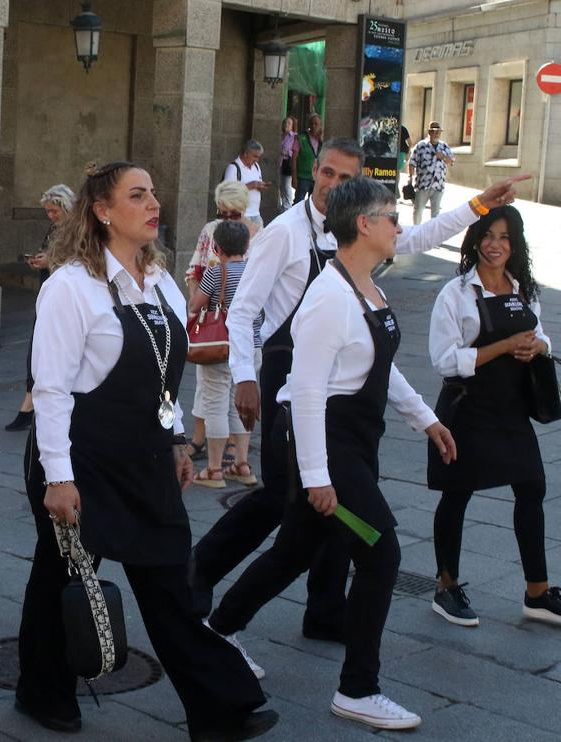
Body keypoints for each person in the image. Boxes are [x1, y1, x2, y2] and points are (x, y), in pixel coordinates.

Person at [190, 137, 528, 655]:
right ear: (315, 172)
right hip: (295, 377)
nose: (332, 184)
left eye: (345, 178)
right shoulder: (285, 237)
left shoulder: (365, 260)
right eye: (326, 173)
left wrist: (478, 205)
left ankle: (318, 611)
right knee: (293, 505)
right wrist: (245, 376)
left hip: (349, 384)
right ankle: (204, 572)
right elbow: (243, 310)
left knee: (310, 518)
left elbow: (416, 238)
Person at [15, 160, 277, 741]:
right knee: (62, 577)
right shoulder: (70, 287)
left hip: (148, 458)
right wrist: (58, 476)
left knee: (170, 586)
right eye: (138, 196)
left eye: (154, 193)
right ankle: (42, 689)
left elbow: (163, 374)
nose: (154, 203)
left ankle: (222, 708)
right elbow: (51, 388)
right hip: (82, 460)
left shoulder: (157, 279)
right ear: (103, 211)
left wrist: (178, 436)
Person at [208, 177, 458, 730]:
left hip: (351, 441)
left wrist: (427, 418)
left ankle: (217, 631)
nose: (400, 226)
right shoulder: (328, 298)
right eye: (392, 217)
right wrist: (318, 477)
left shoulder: (366, 286)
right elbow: (308, 393)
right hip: (327, 444)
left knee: (295, 549)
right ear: (363, 225)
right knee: (381, 553)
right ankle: (357, 689)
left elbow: (380, 366)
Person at [427, 205, 561, 627]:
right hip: (468, 408)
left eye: (504, 237)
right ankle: (445, 586)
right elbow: (443, 360)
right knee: (458, 493)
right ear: (475, 239)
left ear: (514, 243)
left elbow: (540, 334)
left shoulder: (524, 288)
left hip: (511, 408)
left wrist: (537, 347)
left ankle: (537, 592)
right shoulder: (456, 293)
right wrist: (503, 348)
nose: (495, 245)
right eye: (488, 235)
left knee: (533, 486)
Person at [184, 180, 259, 460]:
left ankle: (229, 445)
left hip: (243, 325)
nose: (226, 220)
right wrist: (196, 311)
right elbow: (195, 270)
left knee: (235, 387)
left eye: (233, 214)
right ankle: (200, 438)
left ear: (243, 210)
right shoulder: (210, 231)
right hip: (212, 321)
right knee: (207, 383)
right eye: (222, 214)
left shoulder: (258, 233)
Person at [5, 183, 75, 433]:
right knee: (38, 349)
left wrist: (51, 260)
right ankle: (31, 403)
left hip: (66, 298)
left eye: (54, 211)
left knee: (48, 349)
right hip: (49, 292)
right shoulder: (57, 228)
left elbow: (80, 261)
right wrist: (42, 259)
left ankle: (32, 406)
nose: (51, 216)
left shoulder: (78, 230)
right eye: (48, 212)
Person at [408, 121, 454, 224]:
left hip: (438, 185)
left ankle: (433, 235)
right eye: (434, 131)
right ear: (429, 132)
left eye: (439, 132)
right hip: (423, 184)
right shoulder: (421, 146)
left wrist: (443, 156)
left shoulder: (444, 146)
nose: (437, 134)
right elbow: (412, 162)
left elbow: (451, 162)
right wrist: (410, 177)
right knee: (418, 210)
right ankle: (416, 231)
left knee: (436, 213)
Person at [223, 140, 270, 230]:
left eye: (258, 157)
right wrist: (250, 186)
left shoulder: (256, 166)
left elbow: (257, 184)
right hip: (239, 216)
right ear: (245, 154)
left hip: (256, 214)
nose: (257, 160)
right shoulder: (233, 168)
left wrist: (260, 187)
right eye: (255, 156)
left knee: (259, 242)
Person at [290, 114, 322, 203]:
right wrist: (294, 177)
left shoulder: (321, 142)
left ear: (320, 126)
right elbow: (294, 159)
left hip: (316, 178)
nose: (313, 126)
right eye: (312, 124)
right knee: (298, 202)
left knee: (314, 204)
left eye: (316, 124)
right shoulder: (300, 138)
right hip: (302, 177)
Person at [278, 116, 297, 211]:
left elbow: (295, 151)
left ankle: (287, 208)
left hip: (288, 163)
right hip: (281, 164)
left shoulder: (294, 136)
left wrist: (287, 152)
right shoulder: (281, 136)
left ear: (292, 126)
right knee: (282, 187)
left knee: (287, 187)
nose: (286, 125)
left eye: (289, 123)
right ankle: (283, 207)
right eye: (285, 123)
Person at [395, 124, 412, 200]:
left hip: (401, 152)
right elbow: (410, 143)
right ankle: (396, 192)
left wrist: (408, 153)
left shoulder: (402, 128)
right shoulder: (402, 128)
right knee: (396, 171)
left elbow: (410, 143)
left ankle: (396, 192)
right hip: (399, 152)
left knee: (396, 171)